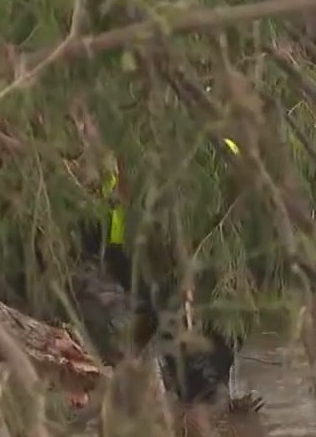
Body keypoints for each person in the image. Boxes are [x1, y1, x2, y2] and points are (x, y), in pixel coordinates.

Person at [84, 138, 261, 411]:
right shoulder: (138, 159)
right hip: (133, 254)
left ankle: (204, 397)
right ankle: (200, 400)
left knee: (210, 324)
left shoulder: (209, 149)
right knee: (171, 320)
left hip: (179, 253)